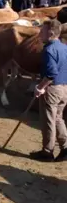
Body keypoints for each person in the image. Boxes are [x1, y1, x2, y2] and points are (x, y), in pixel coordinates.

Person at [31, 19, 67, 162]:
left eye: (42, 31)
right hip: (65, 88)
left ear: (51, 33)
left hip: (52, 88)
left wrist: (40, 87)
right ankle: (65, 147)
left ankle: (47, 152)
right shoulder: (64, 47)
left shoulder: (49, 49)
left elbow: (51, 74)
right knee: (58, 118)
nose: (40, 33)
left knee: (48, 120)